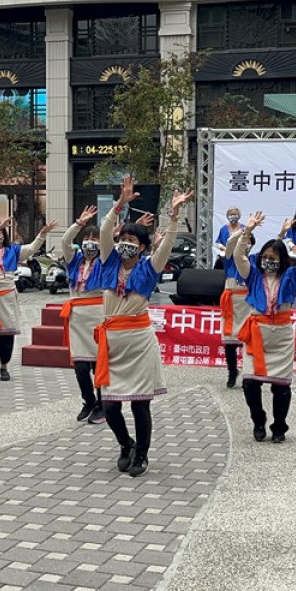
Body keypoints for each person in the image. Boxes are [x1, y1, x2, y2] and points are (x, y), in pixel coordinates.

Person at [94, 176, 192, 477]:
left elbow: (168, 243)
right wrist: (120, 205)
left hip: (139, 342)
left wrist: (174, 216)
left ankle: (142, 455)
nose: (125, 244)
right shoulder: (108, 261)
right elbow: (104, 230)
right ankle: (125, 444)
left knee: (139, 405)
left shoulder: (149, 267)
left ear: (143, 247)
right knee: (110, 406)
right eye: (123, 238)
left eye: (132, 241)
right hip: (111, 342)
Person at [232, 211, 296, 443]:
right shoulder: (252, 275)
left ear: (282, 259)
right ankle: (258, 419)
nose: (269, 260)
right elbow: (239, 256)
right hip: (256, 333)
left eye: (274, 257)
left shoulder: (290, 277)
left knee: (281, 386)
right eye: (266, 256)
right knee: (250, 383)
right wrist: (246, 232)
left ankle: (279, 426)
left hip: (281, 336)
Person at [0, 216, 58, 382]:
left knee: (6, 334)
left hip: (5, 294)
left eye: (0, 232)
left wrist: (42, 235)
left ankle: (4, 366)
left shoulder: (13, 250)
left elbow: (31, 249)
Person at [61, 206, 107, 424]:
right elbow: (64, 242)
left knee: (99, 364)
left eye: (95, 238)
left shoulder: (106, 260)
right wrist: (79, 223)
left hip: (98, 315)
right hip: (77, 317)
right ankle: (87, 401)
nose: (90, 242)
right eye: (87, 238)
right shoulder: (75, 259)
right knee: (80, 366)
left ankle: (102, 404)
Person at [220, 227, 256, 389]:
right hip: (231, 303)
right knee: (229, 342)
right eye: (244, 240)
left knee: (249, 340)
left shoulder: (254, 260)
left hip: (248, 302)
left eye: (249, 241)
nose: (246, 244)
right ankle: (232, 371)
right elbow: (229, 242)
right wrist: (243, 231)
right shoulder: (229, 259)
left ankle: (249, 373)